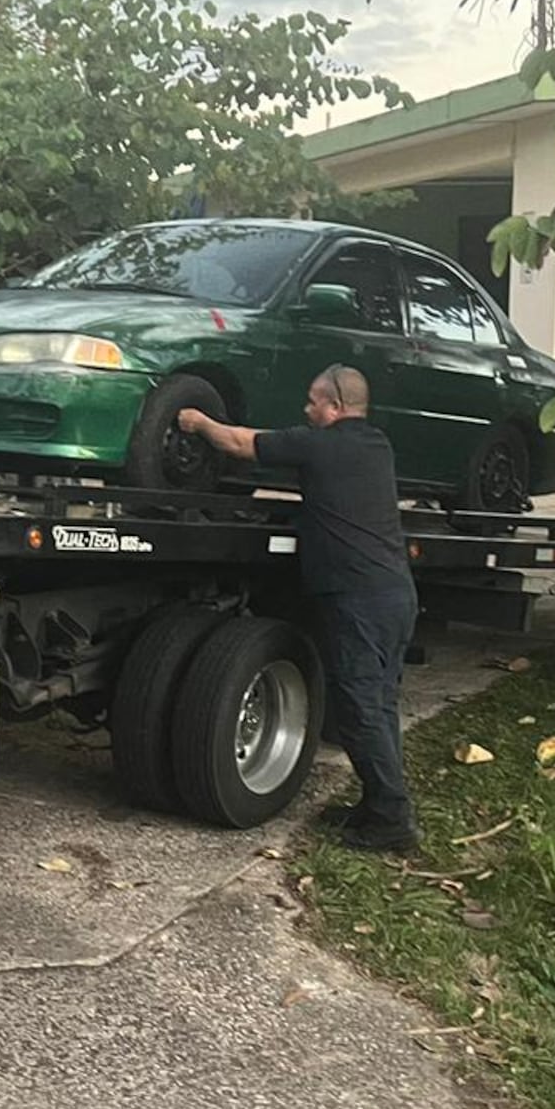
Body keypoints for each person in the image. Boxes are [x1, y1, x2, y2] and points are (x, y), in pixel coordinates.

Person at [175, 366, 421, 853]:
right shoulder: (376, 445)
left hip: (359, 599)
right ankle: (378, 806)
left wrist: (197, 422)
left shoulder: (321, 443)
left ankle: (393, 820)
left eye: (313, 403)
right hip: (395, 594)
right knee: (380, 704)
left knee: (359, 710)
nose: (307, 411)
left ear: (334, 407)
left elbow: (240, 443)